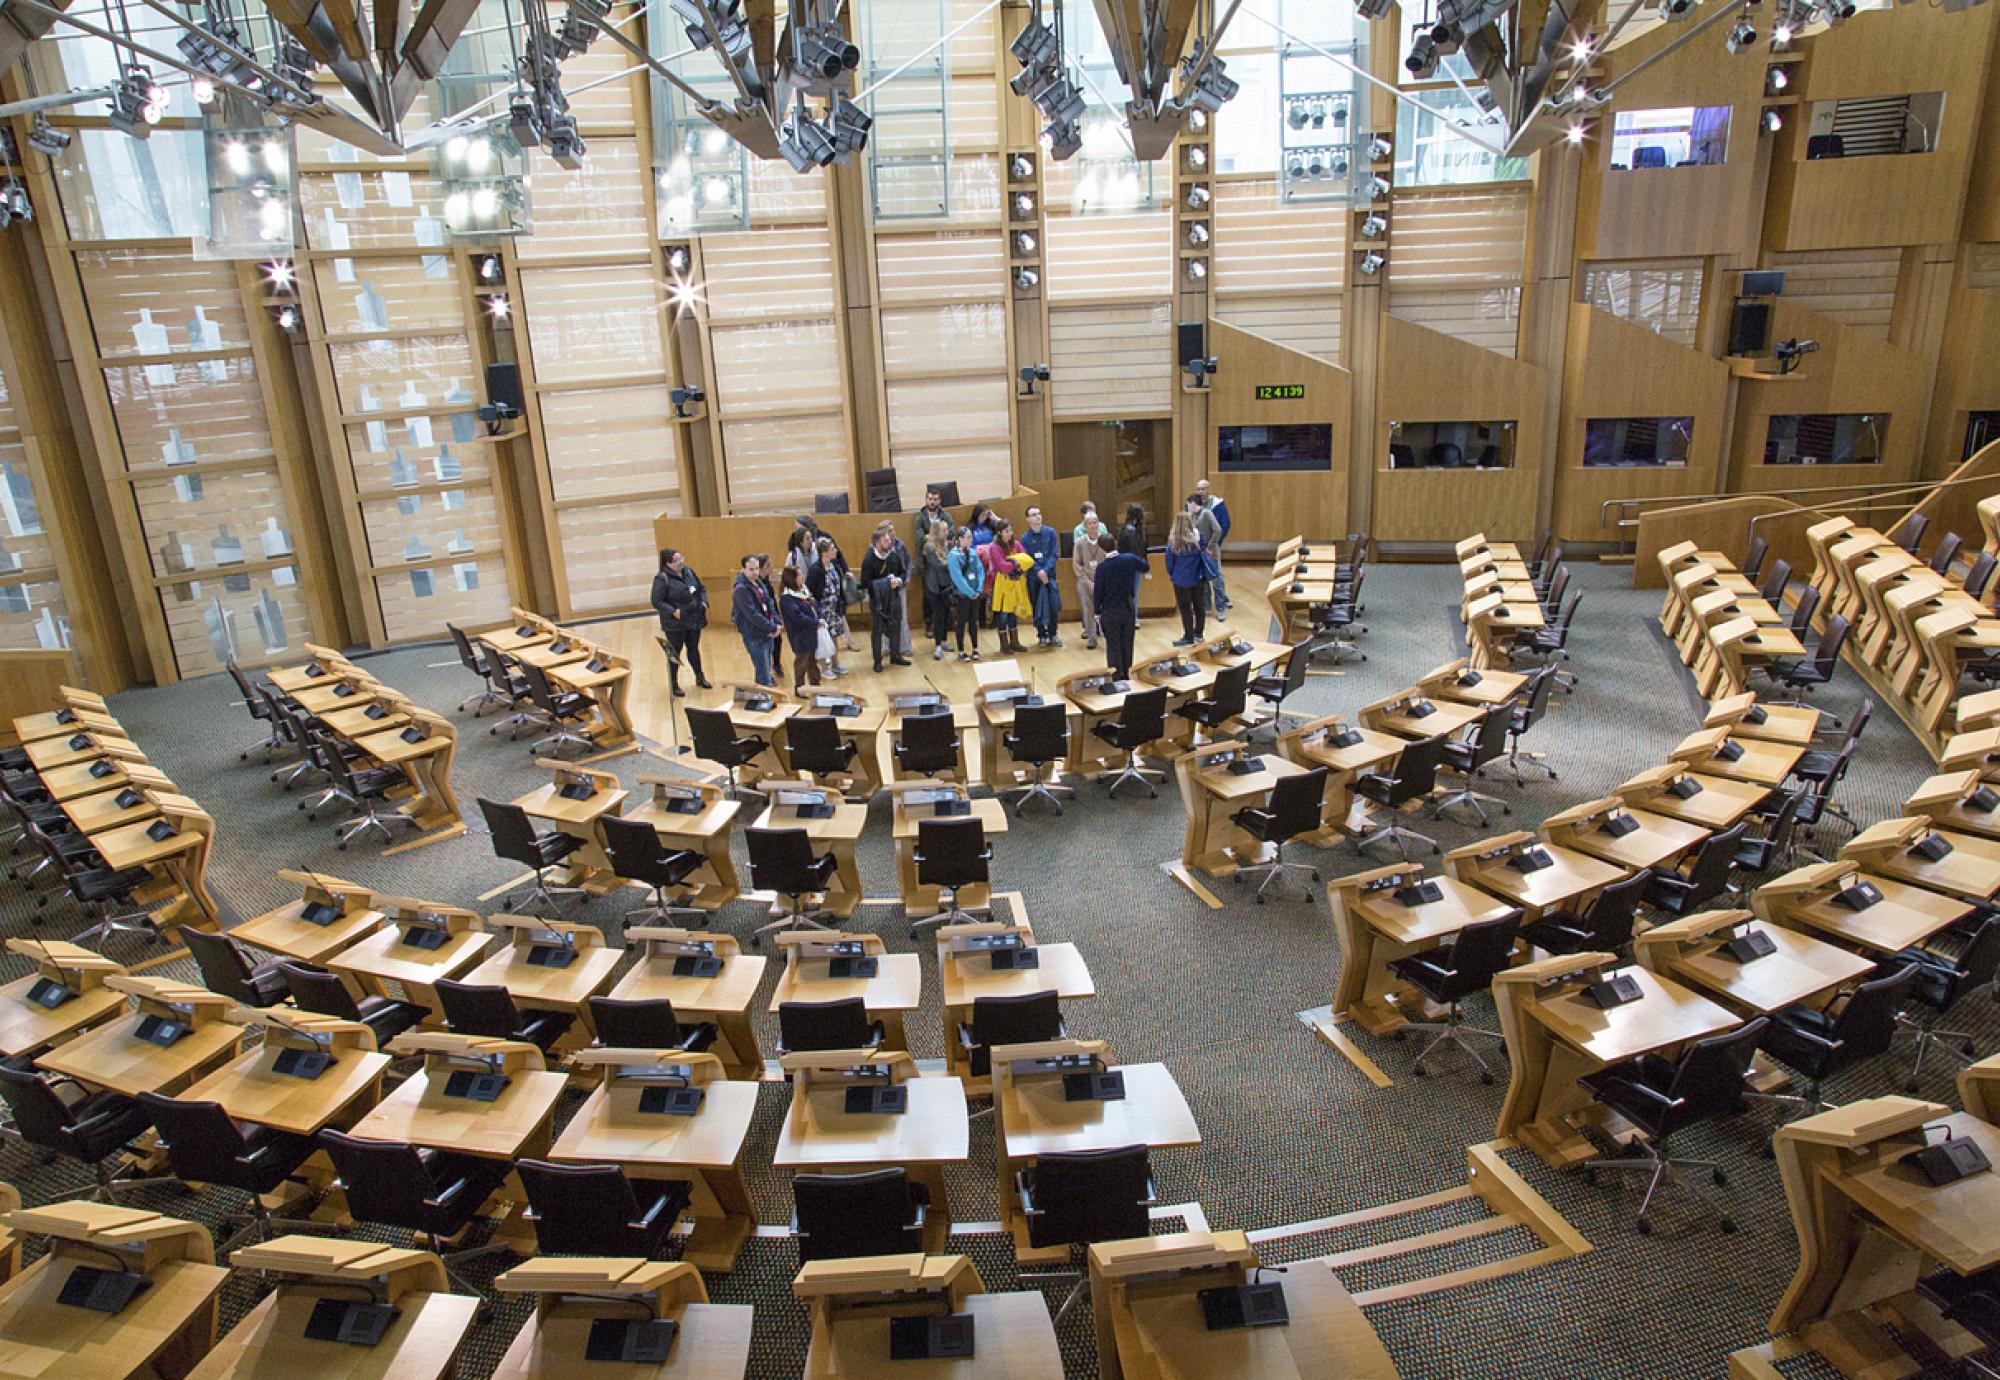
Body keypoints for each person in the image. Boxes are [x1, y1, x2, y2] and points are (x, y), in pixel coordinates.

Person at [650, 548, 710, 698]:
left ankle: (700, 676)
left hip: (693, 619)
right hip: (675, 624)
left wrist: (704, 602)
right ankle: (674, 683)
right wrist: (672, 611)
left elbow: (701, 589)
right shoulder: (662, 578)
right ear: (668, 564)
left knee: (694, 649)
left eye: (681, 558)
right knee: (674, 653)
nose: (681, 562)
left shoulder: (689, 572)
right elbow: (656, 601)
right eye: (676, 560)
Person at [1093, 534, 1149, 682]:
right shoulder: (1129, 559)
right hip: (1128, 608)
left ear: (1101, 549)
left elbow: (1098, 592)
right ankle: (1127, 673)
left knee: (1113, 645)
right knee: (1127, 643)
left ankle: (1117, 677)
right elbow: (1145, 566)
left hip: (1110, 610)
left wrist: (1097, 611)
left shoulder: (1102, 568)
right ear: (1116, 544)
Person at [859, 527, 911, 671]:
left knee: (896, 627)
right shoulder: (869, 560)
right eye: (886, 541)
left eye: (890, 539)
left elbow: (902, 572)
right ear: (877, 543)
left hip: (894, 598)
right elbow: (865, 583)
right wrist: (886, 583)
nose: (890, 542)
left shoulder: (894, 556)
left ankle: (895, 655)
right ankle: (877, 661)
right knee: (878, 630)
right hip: (878, 602)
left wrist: (899, 581)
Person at [806, 534, 855, 677]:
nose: (835, 550)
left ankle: (835, 664)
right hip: (822, 611)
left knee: (834, 637)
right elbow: (810, 592)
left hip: (834, 609)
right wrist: (815, 611)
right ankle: (824, 668)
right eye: (833, 548)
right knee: (822, 639)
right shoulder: (816, 570)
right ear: (824, 552)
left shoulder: (833, 566)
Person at [729, 553, 780, 688]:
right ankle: (763, 698)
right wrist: (772, 627)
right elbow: (752, 614)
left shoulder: (758, 582)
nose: (755, 572)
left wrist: (776, 623)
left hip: (767, 633)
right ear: (744, 569)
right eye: (751, 569)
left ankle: (766, 696)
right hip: (754, 635)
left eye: (757, 569)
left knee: (767, 669)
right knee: (762, 673)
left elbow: (769, 603)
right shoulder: (740, 589)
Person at [983, 520, 1031, 655]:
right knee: (1003, 615)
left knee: (1014, 614)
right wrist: (1016, 562)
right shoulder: (995, 547)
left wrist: (1013, 561)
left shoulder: (1015, 544)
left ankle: (1015, 642)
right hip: (1001, 585)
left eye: (1011, 530)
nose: (1009, 534)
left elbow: (1027, 560)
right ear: (999, 532)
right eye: (1006, 531)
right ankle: (1004, 644)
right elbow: (1003, 567)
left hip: (1015, 584)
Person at [1020, 505, 1063, 649]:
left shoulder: (1050, 533)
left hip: (1049, 576)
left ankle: (1053, 634)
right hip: (1034, 578)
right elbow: (1028, 559)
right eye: (1033, 515)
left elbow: (1054, 554)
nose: (1037, 516)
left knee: (1052, 605)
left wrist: (1045, 570)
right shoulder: (1025, 538)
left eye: (1039, 513)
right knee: (1036, 606)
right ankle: (1041, 635)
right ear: (1028, 519)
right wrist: (1039, 571)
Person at [1165, 510, 1207, 646]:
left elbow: (1169, 562)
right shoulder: (1198, 537)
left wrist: (1172, 574)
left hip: (1181, 579)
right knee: (1199, 605)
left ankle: (1188, 636)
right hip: (1198, 577)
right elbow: (1205, 552)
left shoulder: (1174, 541)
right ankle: (1199, 633)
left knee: (1185, 608)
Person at [779, 565, 824, 692]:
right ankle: (799, 688)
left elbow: (816, 604)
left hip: (811, 632)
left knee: (812, 661)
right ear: (791, 578)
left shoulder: (804, 590)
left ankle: (816, 686)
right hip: (800, 635)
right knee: (801, 662)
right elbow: (798, 617)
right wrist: (815, 622)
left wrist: (820, 616)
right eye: (799, 575)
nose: (802, 576)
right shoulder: (787, 598)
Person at [911, 488, 947, 633]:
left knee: (944, 593)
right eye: (930, 499)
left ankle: (945, 623)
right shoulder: (920, 518)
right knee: (928, 594)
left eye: (935, 499)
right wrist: (936, 536)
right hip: (926, 562)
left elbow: (950, 531)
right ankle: (929, 623)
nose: (932, 502)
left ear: (939, 501)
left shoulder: (945, 516)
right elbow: (920, 539)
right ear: (926, 500)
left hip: (942, 559)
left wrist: (931, 536)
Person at [947, 525, 984, 661]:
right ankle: (961, 650)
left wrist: (979, 589)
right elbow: (958, 577)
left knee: (973, 621)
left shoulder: (973, 553)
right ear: (960, 539)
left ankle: (975, 648)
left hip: (975, 593)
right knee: (961, 622)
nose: (970, 540)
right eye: (968, 537)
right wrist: (969, 592)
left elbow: (980, 571)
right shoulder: (953, 556)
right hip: (962, 595)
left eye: (971, 537)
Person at [920, 518, 955, 659]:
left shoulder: (946, 544)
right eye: (944, 530)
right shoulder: (929, 547)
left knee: (947, 614)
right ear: (936, 531)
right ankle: (938, 645)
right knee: (939, 615)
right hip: (934, 585)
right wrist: (952, 563)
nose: (947, 532)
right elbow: (938, 566)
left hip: (946, 583)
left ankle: (945, 640)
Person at [1196, 478, 1232, 615]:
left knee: (1217, 576)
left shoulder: (1217, 504)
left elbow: (1224, 525)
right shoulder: (1194, 504)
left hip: (1213, 546)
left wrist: (1215, 542)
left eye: (1203, 489)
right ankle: (1206, 605)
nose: (1200, 492)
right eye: (1198, 489)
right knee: (1203, 577)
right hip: (1199, 548)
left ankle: (1221, 604)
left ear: (1209, 489)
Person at [1187, 492, 1224, 621]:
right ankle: (1207, 606)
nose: (1187, 507)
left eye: (1188, 505)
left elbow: (1218, 530)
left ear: (1193, 503)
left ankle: (1221, 608)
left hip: (1211, 551)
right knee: (1204, 580)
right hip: (1200, 552)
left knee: (1217, 579)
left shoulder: (1207, 513)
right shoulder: (1190, 516)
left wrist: (1210, 546)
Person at [1073, 512, 1107, 650]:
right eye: (1090, 523)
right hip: (1085, 580)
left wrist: (1100, 582)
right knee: (1087, 608)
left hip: (1102, 580)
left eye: (1095, 522)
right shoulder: (1080, 542)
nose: (1093, 525)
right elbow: (1076, 564)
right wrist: (1088, 582)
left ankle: (1106, 633)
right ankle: (1091, 636)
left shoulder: (1104, 541)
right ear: (1085, 526)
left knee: (1105, 608)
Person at [756, 554, 783, 681]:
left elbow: (772, 602)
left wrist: (777, 620)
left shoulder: (766, 581)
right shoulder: (756, 584)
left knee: (777, 641)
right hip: (763, 622)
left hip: (772, 618)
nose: (771, 568)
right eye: (768, 565)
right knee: (764, 649)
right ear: (760, 568)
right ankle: (766, 675)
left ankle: (776, 664)